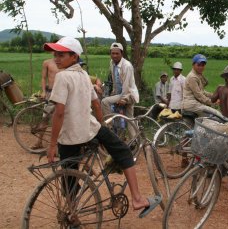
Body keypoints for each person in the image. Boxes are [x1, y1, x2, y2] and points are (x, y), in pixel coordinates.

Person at [44, 37, 161, 218]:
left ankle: (71, 212)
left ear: (74, 57)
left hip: (69, 136)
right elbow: (97, 105)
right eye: (55, 54)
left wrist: (52, 145)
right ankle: (137, 199)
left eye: (61, 54)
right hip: (90, 130)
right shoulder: (83, 75)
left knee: (70, 178)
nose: (56, 58)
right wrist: (103, 128)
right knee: (123, 151)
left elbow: (59, 113)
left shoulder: (62, 77)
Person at [101, 42, 139, 138]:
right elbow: (115, 80)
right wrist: (114, 93)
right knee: (123, 117)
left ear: (121, 54)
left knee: (105, 102)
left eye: (117, 53)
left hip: (128, 94)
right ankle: (121, 138)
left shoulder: (127, 66)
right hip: (119, 93)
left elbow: (126, 85)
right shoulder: (112, 63)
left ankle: (109, 128)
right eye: (112, 53)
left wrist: (124, 99)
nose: (114, 55)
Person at [31, 57, 60, 149]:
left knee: (61, 118)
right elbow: (43, 78)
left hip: (61, 93)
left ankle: (57, 145)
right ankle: (39, 141)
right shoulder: (47, 63)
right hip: (50, 93)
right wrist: (43, 91)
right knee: (45, 118)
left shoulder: (65, 63)